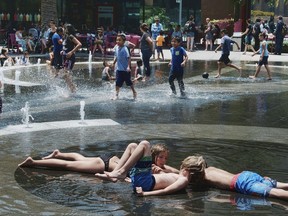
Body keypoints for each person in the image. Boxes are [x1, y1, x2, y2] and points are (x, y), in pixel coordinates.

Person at [95, 140, 191, 196]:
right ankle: (116, 174)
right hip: (143, 179)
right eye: (161, 157)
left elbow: (166, 190)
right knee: (132, 145)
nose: (164, 160)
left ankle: (121, 172)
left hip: (146, 182)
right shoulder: (178, 176)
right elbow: (170, 175)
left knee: (145, 143)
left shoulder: (183, 179)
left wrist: (144, 194)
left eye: (165, 158)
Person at [184, 155, 288, 201]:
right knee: (280, 186)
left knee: (276, 193)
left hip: (243, 183)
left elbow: (187, 183)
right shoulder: (211, 168)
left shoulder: (204, 179)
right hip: (245, 175)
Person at [18, 149, 120, 174]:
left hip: (111, 158)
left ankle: (58, 154)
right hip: (104, 165)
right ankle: (33, 162)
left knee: (82, 159)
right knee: (67, 165)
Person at [112, 33, 137, 100]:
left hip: (125, 70)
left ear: (123, 42)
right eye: (117, 40)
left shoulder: (125, 49)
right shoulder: (117, 48)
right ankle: (116, 95)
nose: (117, 41)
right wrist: (114, 63)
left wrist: (128, 67)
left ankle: (134, 92)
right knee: (117, 82)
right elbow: (116, 57)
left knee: (128, 82)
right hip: (119, 69)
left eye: (119, 40)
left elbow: (128, 58)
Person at [61, 24, 82, 93]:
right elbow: (66, 46)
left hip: (70, 58)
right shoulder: (65, 37)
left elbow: (79, 44)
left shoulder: (71, 36)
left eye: (64, 28)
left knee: (66, 74)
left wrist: (71, 52)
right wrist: (63, 51)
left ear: (67, 29)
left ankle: (73, 90)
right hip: (65, 57)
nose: (62, 29)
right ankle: (72, 89)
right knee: (66, 75)